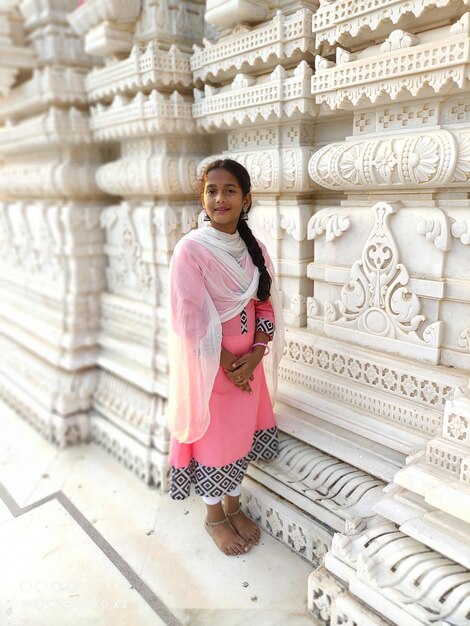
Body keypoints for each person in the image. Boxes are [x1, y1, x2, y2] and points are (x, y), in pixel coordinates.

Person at [167, 158, 284, 556]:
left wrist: (255, 355)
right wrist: (226, 367)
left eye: (230, 190)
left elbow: (264, 310)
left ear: (246, 199)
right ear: (203, 198)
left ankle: (235, 508)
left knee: (238, 439)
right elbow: (190, 320)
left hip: (248, 370)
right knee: (215, 443)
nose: (220, 198)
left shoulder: (256, 250)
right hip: (212, 370)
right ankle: (214, 516)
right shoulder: (191, 250)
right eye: (212, 190)